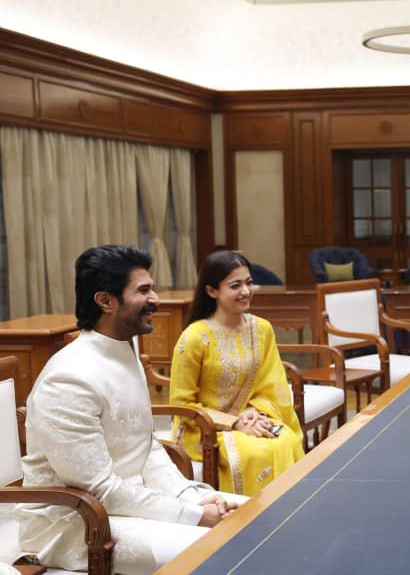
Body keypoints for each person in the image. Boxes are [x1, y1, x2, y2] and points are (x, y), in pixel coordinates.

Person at [18, 245, 242, 574]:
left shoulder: (125, 348)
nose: (156, 299)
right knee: (226, 549)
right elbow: (99, 489)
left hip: (127, 504)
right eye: (144, 290)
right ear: (105, 301)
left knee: (253, 515)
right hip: (76, 523)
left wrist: (191, 497)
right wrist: (191, 515)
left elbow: (144, 446)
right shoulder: (68, 378)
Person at [169, 251, 303, 496]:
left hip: (251, 416)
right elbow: (181, 404)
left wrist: (254, 413)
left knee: (287, 439)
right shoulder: (195, 338)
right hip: (204, 429)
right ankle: (247, 520)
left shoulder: (261, 329)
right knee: (256, 452)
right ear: (212, 291)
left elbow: (272, 385)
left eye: (249, 283)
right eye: (235, 285)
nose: (245, 291)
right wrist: (234, 423)